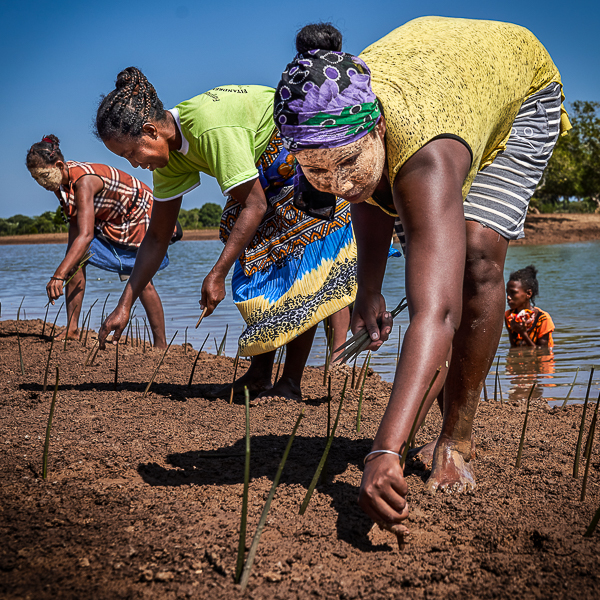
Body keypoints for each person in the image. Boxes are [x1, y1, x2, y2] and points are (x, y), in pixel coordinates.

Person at [275, 17, 570, 529]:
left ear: (379, 128)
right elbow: (367, 190)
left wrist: (382, 450)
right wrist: (367, 288)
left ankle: (457, 436)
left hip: (517, 83)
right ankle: (420, 419)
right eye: (318, 171)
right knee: (402, 214)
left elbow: (437, 313)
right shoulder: (323, 118)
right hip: (437, 78)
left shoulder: (424, 153)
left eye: (345, 161)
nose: (336, 183)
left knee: (475, 257)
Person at [94, 65, 362, 400]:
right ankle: (261, 374)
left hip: (290, 146)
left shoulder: (209, 129)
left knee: (299, 263)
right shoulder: (168, 158)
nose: (134, 163)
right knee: (254, 255)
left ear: (151, 131)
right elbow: (157, 237)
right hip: (261, 169)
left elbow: (255, 206)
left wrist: (217, 273)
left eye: (131, 153)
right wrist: (125, 304)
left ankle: (290, 381)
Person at [26, 135, 171, 348]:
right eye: (36, 178)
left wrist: (58, 275)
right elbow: (76, 235)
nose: (42, 182)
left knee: (141, 277)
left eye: (44, 175)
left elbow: (85, 236)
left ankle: (161, 344)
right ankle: (72, 329)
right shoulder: (62, 185)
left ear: (58, 165)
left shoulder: (83, 182)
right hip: (112, 219)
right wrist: (67, 265)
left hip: (139, 215)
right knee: (75, 260)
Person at [505, 265, 554, 347]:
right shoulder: (509, 316)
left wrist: (523, 333)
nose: (508, 297)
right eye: (507, 293)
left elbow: (543, 352)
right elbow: (513, 347)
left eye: (513, 293)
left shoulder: (542, 319)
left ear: (528, 294)